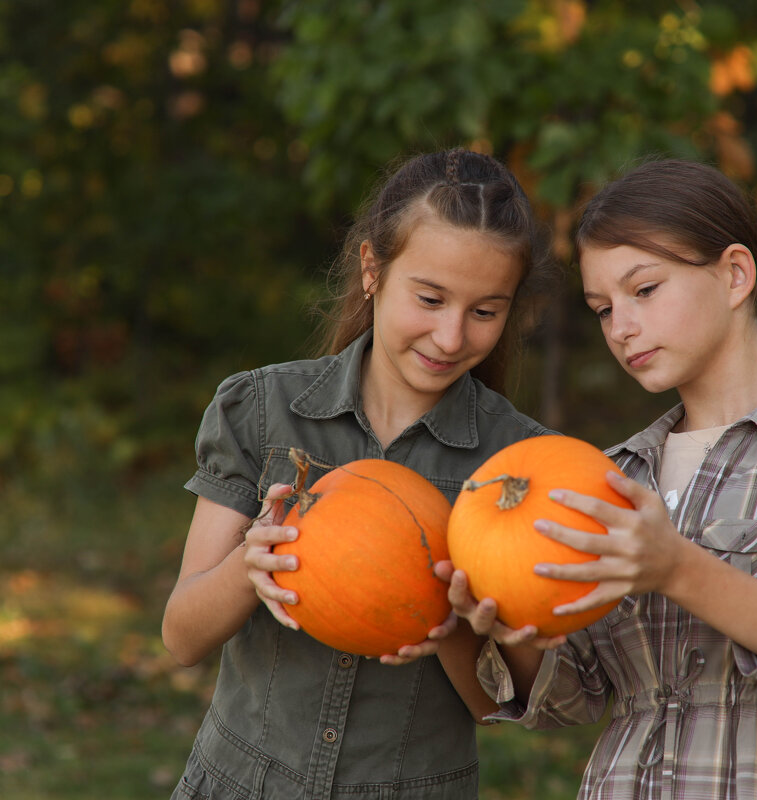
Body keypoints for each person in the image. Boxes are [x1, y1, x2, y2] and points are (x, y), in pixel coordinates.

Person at [445, 159, 757, 800]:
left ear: (735, 275)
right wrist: (507, 630)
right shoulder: (613, 475)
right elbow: (577, 694)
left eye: (644, 290)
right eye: (602, 308)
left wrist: (676, 566)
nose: (621, 327)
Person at [161, 147, 557, 800]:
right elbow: (181, 637)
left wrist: (450, 625)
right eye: (429, 298)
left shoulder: (517, 463)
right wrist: (248, 566)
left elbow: (501, 706)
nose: (452, 336)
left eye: (485, 311)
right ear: (373, 268)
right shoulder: (262, 411)